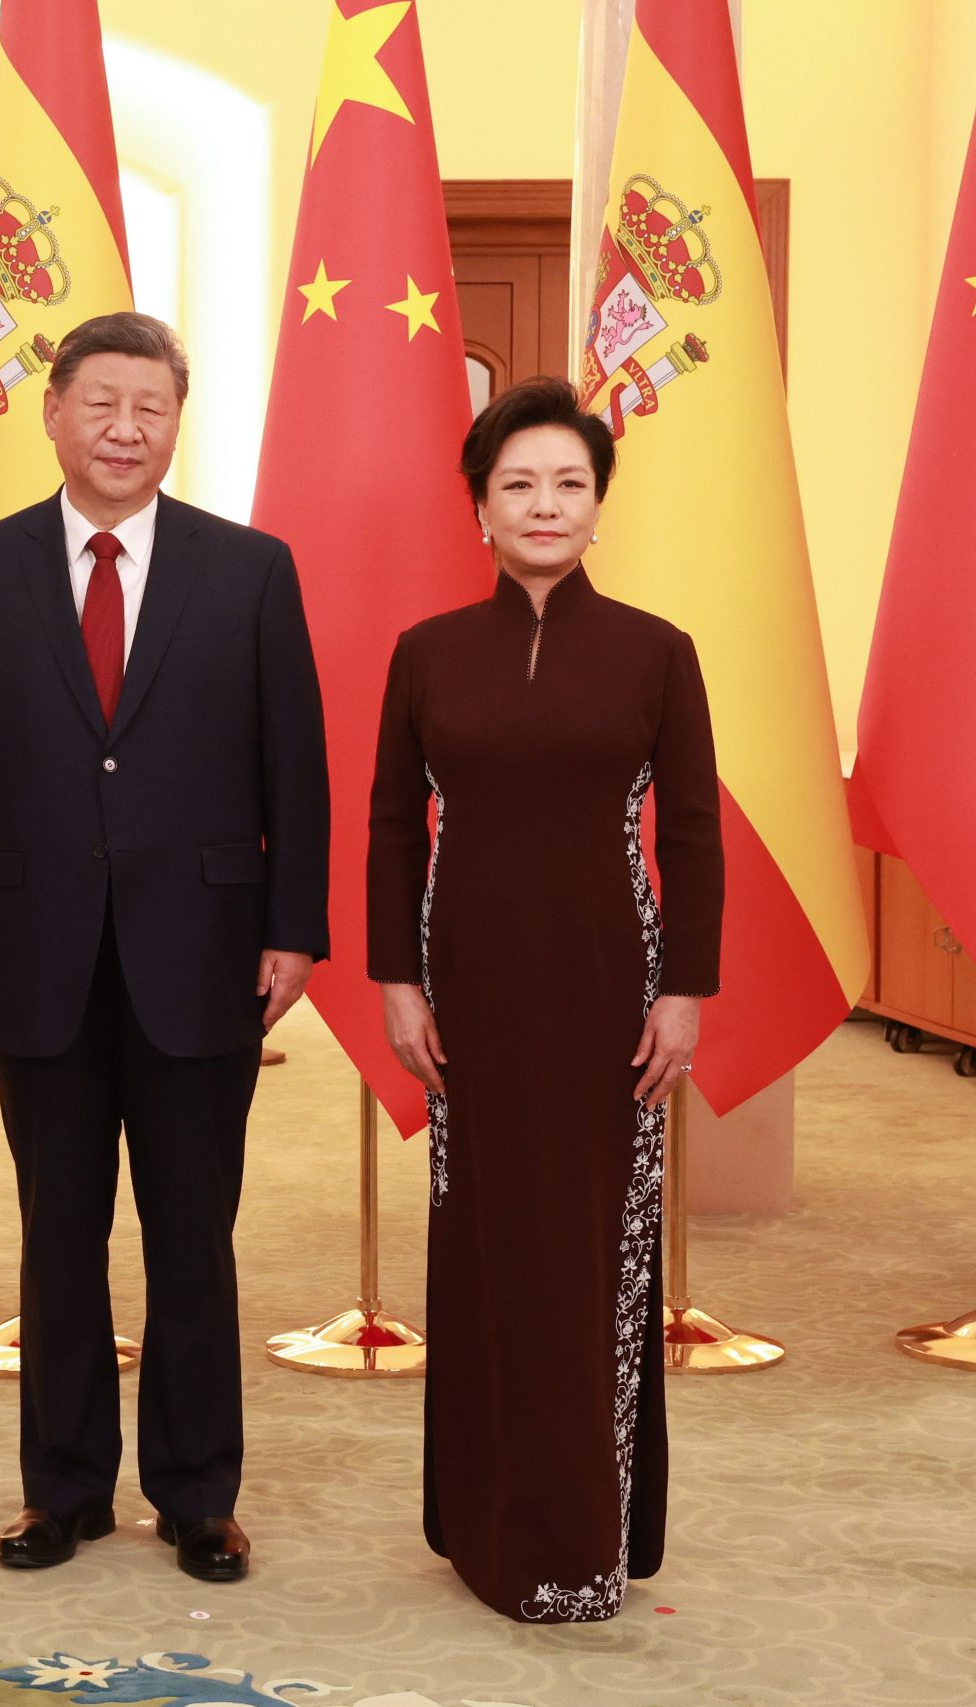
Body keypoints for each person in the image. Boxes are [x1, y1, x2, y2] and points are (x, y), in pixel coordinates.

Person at [0, 311, 329, 1584]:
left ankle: (197, 1494)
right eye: (100, 403)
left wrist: (293, 931)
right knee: (59, 1234)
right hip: (33, 952)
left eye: (149, 407)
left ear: (174, 422)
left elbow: (294, 771)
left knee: (193, 1236)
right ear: (53, 414)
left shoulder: (249, 569)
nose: (124, 429)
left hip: (201, 951)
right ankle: (63, 1489)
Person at [368, 375, 723, 1622]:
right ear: (479, 506)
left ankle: (580, 1536)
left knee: (585, 1247)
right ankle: (478, 1519)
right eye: (517, 482)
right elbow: (389, 832)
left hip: (603, 991)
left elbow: (690, 831)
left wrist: (683, 992)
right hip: (461, 986)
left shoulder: (653, 652)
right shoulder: (426, 653)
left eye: (568, 483)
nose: (543, 503)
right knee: (482, 1243)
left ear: (596, 505)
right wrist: (397, 983)